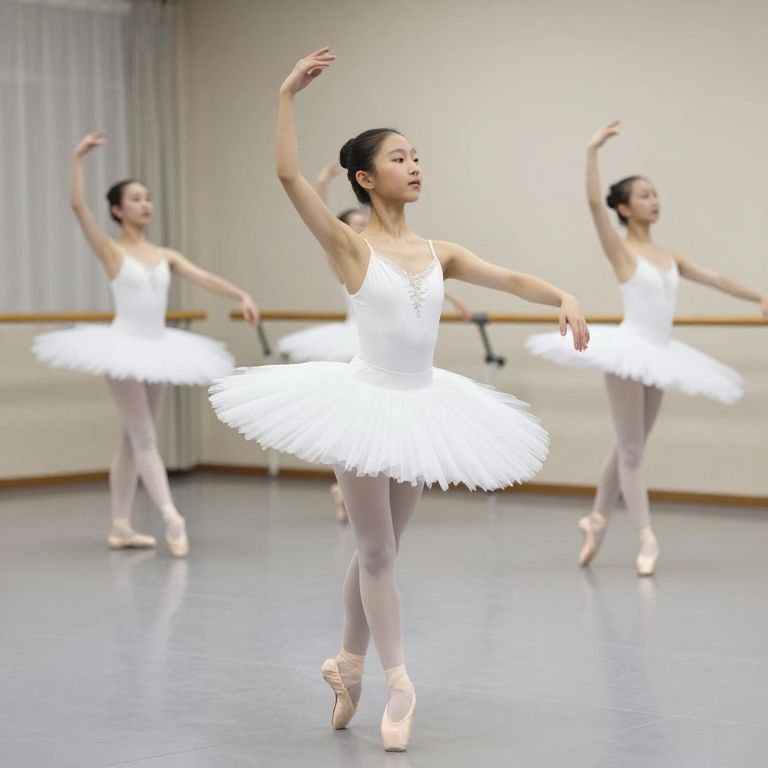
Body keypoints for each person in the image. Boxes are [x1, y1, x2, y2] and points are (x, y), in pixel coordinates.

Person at [209, 48, 588, 752]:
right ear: (365, 177)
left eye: (417, 157)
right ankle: (400, 683)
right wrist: (287, 94)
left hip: (423, 405)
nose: (414, 166)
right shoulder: (350, 248)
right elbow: (289, 176)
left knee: (381, 551)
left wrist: (562, 294)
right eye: (398, 157)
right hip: (363, 403)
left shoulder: (442, 252)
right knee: (378, 551)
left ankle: (346, 663)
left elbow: (509, 278)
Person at [527, 120, 767, 576]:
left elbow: (717, 278)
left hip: (661, 353)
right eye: (644, 195)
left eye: (655, 194)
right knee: (633, 450)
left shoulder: (670, 257)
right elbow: (592, 204)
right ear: (624, 207)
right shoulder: (621, 252)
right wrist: (592, 150)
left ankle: (596, 520)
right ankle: (647, 537)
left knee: (629, 445)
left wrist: (759, 296)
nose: (654, 200)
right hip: (629, 351)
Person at [34, 130, 260, 557]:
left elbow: (204, 277)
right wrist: (78, 158)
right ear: (118, 210)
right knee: (142, 437)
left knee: (133, 437)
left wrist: (241, 296)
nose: (145, 204)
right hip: (123, 348)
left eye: (148, 198)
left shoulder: (165, 255)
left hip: (159, 349)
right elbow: (78, 207)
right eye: (136, 199)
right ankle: (172, 516)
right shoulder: (111, 251)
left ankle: (120, 526)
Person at [278, 160, 473, 524]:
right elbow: (320, 218)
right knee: (361, 431)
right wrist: (321, 183)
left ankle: (354, 492)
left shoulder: (395, 254)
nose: (356, 227)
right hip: (361, 350)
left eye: (360, 221)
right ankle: (351, 488)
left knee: (388, 437)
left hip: (397, 361)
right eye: (350, 224)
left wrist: (455, 298)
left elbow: (415, 283)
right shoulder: (344, 254)